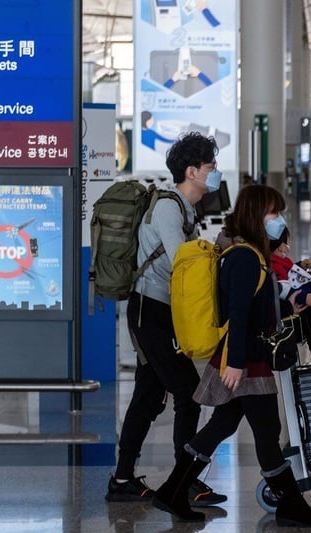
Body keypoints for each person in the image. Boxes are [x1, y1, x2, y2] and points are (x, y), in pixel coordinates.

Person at [153, 184, 311, 527]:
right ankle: (290, 505)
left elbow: (255, 305)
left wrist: (287, 305)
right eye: (273, 214)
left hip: (248, 352)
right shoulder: (244, 257)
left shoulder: (250, 254)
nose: (279, 220)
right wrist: (234, 362)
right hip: (245, 357)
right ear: (256, 216)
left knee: (222, 424)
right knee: (267, 429)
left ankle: (173, 490)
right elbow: (237, 312)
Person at [106, 132, 226, 508]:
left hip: (161, 311)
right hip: (150, 312)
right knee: (188, 394)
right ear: (192, 171)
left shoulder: (186, 209)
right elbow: (185, 267)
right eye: (210, 167)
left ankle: (123, 479)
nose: (215, 173)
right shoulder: (169, 209)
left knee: (146, 395)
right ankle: (183, 481)